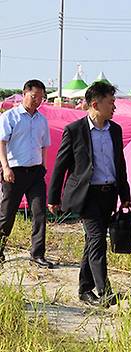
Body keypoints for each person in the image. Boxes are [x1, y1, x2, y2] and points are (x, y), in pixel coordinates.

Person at [47, 81, 131, 307]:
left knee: (92, 243)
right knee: (97, 241)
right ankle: (105, 290)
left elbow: (119, 164)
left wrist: (125, 194)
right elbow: (61, 165)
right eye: (110, 102)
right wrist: (53, 198)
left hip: (109, 193)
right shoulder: (75, 130)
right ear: (95, 104)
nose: (114, 107)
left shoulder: (115, 130)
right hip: (87, 195)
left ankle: (85, 289)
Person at [0, 79, 53, 268]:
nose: (37, 100)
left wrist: (44, 166)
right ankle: (0, 248)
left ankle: (37, 254)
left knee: (39, 213)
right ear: (24, 94)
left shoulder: (41, 120)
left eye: (40, 97)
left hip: (36, 172)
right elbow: (2, 143)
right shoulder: (10, 117)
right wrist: (5, 168)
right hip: (14, 172)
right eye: (33, 96)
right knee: (7, 213)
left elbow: (45, 145)